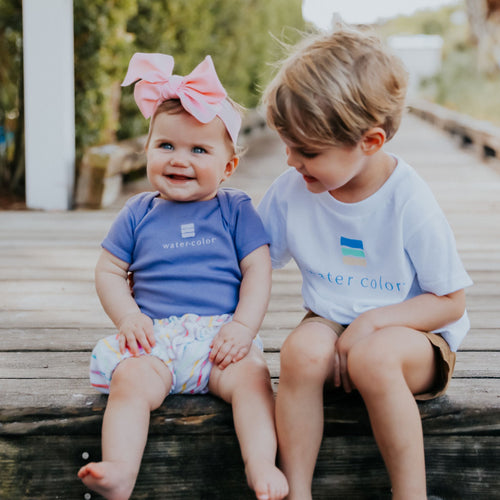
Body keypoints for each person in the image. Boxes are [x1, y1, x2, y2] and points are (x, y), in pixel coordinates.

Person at [257, 26, 473, 500]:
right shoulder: (293, 189)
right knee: (299, 351)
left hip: (414, 333)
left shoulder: (408, 199)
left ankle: (409, 494)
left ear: (370, 141)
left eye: (308, 151)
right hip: (331, 321)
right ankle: (298, 490)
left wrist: (374, 323)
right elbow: (254, 259)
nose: (291, 160)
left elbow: (450, 302)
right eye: (286, 144)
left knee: (375, 359)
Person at [78, 52, 288, 500]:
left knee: (253, 378)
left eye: (199, 150)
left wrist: (243, 327)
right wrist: (128, 318)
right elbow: (110, 270)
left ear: (228, 167)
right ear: (148, 149)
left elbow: (257, 269)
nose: (179, 160)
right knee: (130, 382)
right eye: (166, 146)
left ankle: (261, 465)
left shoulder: (235, 209)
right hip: (154, 339)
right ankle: (118, 471)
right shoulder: (138, 211)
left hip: (219, 340)